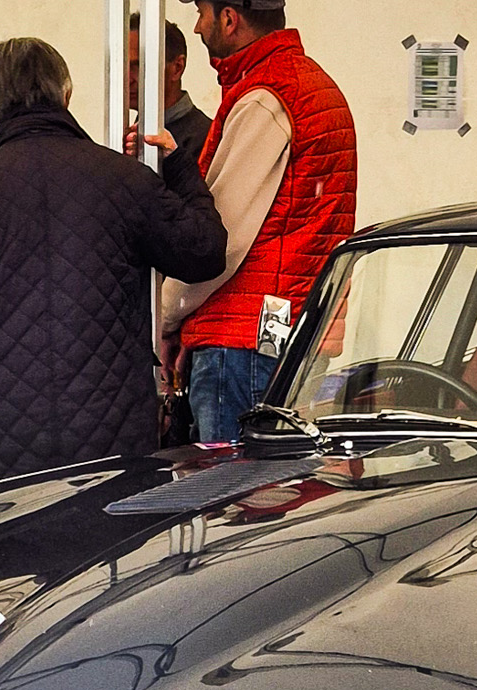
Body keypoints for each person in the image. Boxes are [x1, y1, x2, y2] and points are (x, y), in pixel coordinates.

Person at [0, 38, 225, 495]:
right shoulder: (125, 180)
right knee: (112, 541)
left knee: (4, 545)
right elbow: (204, 252)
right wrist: (179, 166)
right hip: (112, 440)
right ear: (66, 93)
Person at [161, 1, 356, 444]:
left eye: (202, 13)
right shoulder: (311, 86)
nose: (198, 27)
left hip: (241, 345)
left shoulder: (265, 98)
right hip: (290, 336)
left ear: (229, 19)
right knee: (280, 485)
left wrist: (166, 317)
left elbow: (218, 244)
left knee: (231, 487)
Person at [129, 15, 212, 173]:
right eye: (122, 65)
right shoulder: (133, 134)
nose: (127, 79)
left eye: (138, 66)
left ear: (177, 68)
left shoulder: (205, 139)